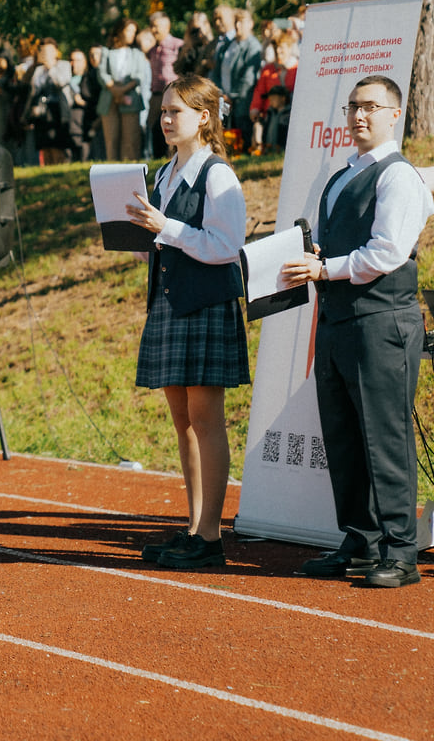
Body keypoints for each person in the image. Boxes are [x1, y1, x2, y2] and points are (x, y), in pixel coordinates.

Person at [283, 75, 433, 588]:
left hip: (381, 321)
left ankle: (401, 550)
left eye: (370, 106)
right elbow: (332, 246)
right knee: (344, 435)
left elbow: (388, 253)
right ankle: (362, 541)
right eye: (352, 107)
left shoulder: (399, 177)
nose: (359, 116)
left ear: (395, 114)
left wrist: (325, 270)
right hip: (340, 320)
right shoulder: (341, 175)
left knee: (384, 438)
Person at [125, 74, 249, 569]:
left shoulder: (217, 174)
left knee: (205, 420)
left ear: (205, 117)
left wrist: (167, 229)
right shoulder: (162, 174)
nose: (167, 119)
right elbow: (168, 239)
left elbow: (226, 247)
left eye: (176, 111)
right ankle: (194, 527)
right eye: (163, 112)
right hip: (171, 303)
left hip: (205, 304)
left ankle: (212, 537)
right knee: (183, 423)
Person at [99, 17, 151, 161]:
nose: (132, 34)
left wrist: (122, 90)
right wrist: (114, 90)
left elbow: (139, 76)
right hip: (109, 98)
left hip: (131, 98)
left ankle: (130, 169)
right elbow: (102, 73)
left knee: (131, 139)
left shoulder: (137, 54)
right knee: (111, 138)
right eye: (129, 31)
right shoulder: (106, 52)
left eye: (134, 32)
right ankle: (112, 170)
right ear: (120, 31)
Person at [216, 9, 263, 152]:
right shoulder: (228, 45)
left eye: (241, 22)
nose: (237, 26)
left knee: (242, 133)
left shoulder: (253, 46)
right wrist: (219, 92)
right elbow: (217, 71)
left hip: (243, 99)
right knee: (225, 131)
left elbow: (249, 78)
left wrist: (232, 96)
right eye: (235, 22)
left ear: (251, 24)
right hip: (224, 97)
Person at [22, 38, 73, 164]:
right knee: (44, 145)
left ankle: (60, 168)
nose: (45, 54)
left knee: (57, 144)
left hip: (58, 111)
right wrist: (27, 113)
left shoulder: (64, 65)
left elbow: (61, 82)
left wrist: (51, 67)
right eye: (43, 51)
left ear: (56, 51)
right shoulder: (39, 70)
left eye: (48, 51)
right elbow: (33, 91)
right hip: (42, 112)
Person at [248, 33, 299, 154]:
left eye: (281, 47)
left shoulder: (297, 68)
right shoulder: (268, 69)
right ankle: (268, 149)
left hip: (291, 112)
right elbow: (260, 91)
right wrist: (255, 108)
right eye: (276, 47)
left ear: (289, 48)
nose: (278, 50)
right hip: (270, 112)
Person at [147, 12, 184, 161]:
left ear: (167, 26)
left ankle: (173, 158)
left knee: (172, 127)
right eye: (151, 27)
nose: (153, 30)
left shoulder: (178, 45)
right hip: (156, 95)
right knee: (156, 128)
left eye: (156, 26)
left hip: (173, 94)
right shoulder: (151, 50)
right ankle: (158, 160)